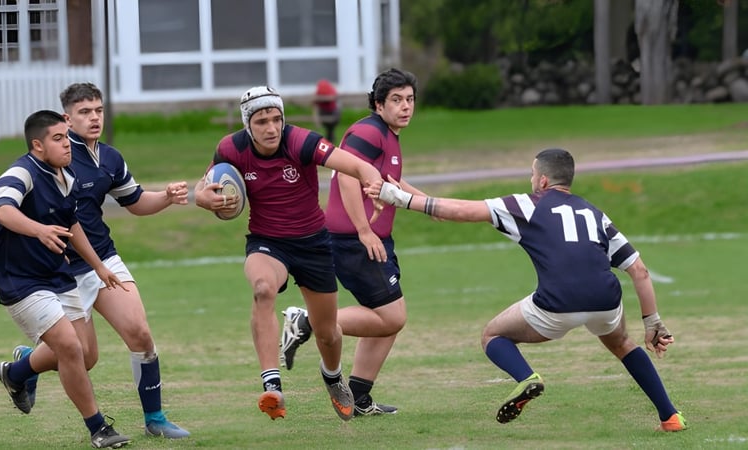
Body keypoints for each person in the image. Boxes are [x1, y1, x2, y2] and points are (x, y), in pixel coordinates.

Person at [369, 148, 687, 431]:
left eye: (532, 174)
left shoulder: (527, 205)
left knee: (492, 335)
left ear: (544, 180)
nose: (531, 180)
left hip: (557, 305)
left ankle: (527, 378)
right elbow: (639, 271)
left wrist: (400, 198)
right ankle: (670, 416)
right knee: (621, 343)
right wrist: (653, 323)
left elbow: (463, 210)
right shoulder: (594, 213)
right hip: (606, 300)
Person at [7, 83, 191, 439]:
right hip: (62, 270)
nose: (94, 118)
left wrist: (166, 197)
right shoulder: (56, 155)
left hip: (103, 257)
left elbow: (135, 202)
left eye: (98, 110)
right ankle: (21, 369)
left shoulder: (109, 157)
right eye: (85, 112)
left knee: (140, 333)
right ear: (67, 117)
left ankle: (155, 419)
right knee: (84, 358)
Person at [193, 85, 386, 421]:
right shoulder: (231, 148)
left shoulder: (300, 141)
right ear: (247, 125)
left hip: (313, 244)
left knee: (327, 332)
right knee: (263, 289)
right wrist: (202, 198)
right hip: (267, 243)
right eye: (262, 121)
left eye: (276, 119)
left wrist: (371, 176)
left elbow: (351, 163)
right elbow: (205, 183)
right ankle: (272, 387)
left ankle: (332, 376)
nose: (270, 128)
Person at [281, 68, 424, 416]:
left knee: (387, 319)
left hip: (370, 240)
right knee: (392, 317)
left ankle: (358, 397)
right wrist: (364, 230)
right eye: (396, 100)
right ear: (378, 104)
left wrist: (426, 203)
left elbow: (390, 182)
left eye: (409, 100)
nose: (405, 107)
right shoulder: (368, 131)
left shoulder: (387, 134)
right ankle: (306, 322)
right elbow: (346, 175)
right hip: (353, 241)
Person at [0, 110, 131, 448]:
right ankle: (99, 428)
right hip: (19, 279)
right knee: (67, 345)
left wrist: (98, 266)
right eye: (58, 138)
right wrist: (39, 231)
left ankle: (17, 373)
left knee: (86, 355)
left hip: (56, 274)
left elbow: (72, 224)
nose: (68, 144)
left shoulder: (66, 175)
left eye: (67, 137)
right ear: (38, 145)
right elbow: (1, 208)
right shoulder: (23, 172)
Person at [312, 79, 341, 143]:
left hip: (332, 112)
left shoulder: (331, 91)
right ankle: (330, 139)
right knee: (329, 129)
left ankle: (329, 139)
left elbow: (333, 98)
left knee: (330, 128)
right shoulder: (320, 93)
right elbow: (315, 106)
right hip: (325, 113)